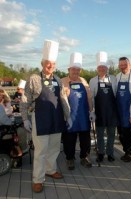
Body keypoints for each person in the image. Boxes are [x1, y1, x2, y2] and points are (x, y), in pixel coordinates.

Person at [20, 39, 71, 193]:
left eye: (53, 63)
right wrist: (24, 119)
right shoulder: (34, 78)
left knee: (54, 148)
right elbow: (25, 99)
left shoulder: (57, 79)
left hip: (56, 118)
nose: (51, 66)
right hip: (40, 118)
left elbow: (63, 98)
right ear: (42, 63)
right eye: (48, 63)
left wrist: (68, 116)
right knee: (41, 151)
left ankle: (50, 170)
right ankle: (38, 179)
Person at [61, 52, 93, 170]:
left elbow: (89, 97)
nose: (76, 72)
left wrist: (91, 111)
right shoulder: (63, 81)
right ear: (69, 69)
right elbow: (62, 99)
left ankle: (84, 157)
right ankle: (70, 158)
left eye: (78, 70)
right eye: (73, 69)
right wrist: (66, 116)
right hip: (70, 116)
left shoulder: (84, 81)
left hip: (84, 115)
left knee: (85, 138)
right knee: (69, 139)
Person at [89, 51, 118, 162]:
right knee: (100, 135)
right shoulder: (93, 81)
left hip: (111, 112)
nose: (102, 69)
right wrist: (92, 111)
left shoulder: (113, 79)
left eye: (104, 67)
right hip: (100, 113)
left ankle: (110, 153)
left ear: (107, 68)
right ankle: (100, 153)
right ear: (97, 68)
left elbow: (115, 95)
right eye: (100, 67)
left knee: (111, 135)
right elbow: (91, 97)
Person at [116, 56, 131, 162]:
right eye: (121, 65)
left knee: (127, 133)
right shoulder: (117, 76)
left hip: (129, 109)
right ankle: (126, 151)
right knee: (121, 132)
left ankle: (130, 152)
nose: (123, 67)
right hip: (119, 110)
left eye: (125, 64)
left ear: (129, 64)